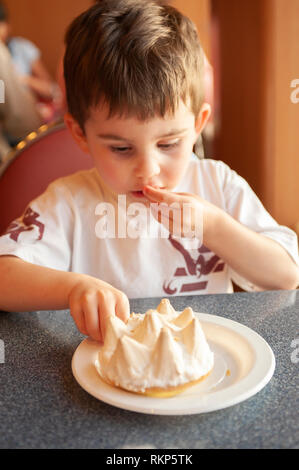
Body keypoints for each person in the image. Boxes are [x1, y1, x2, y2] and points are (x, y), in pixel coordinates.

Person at [0, 0, 298, 343]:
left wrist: (214, 226)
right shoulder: (68, 203)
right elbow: (4, 275)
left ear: (198, 124)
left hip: (208, 365)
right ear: (80, 134)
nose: (148, 169)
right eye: (121, 149)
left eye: (169, 143)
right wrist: (73, 288)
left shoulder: (217, 185)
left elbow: (286, 276)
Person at [0, 1, 62, 125]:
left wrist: (23, 80)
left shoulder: (21, 48)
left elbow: (52, 90)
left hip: (26, 115)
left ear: (8, 25)